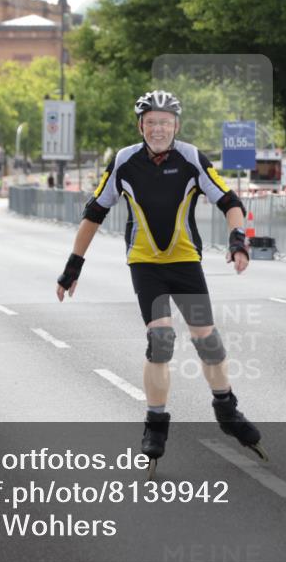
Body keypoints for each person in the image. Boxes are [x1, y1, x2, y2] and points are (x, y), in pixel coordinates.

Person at [55, 90, 265, 475]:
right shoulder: (124, 161)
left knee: (208, 340)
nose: (158, 129)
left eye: (165, 122)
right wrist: (73, 266)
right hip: (145, 264)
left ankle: (226, 408)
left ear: (176, 126)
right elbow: (95, 212)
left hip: (185, 264)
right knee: (161, 340)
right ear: (141, 126)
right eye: (150, 122)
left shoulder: (190, 158)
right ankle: (155, 425)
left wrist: (239, 241)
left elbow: (230, 201)